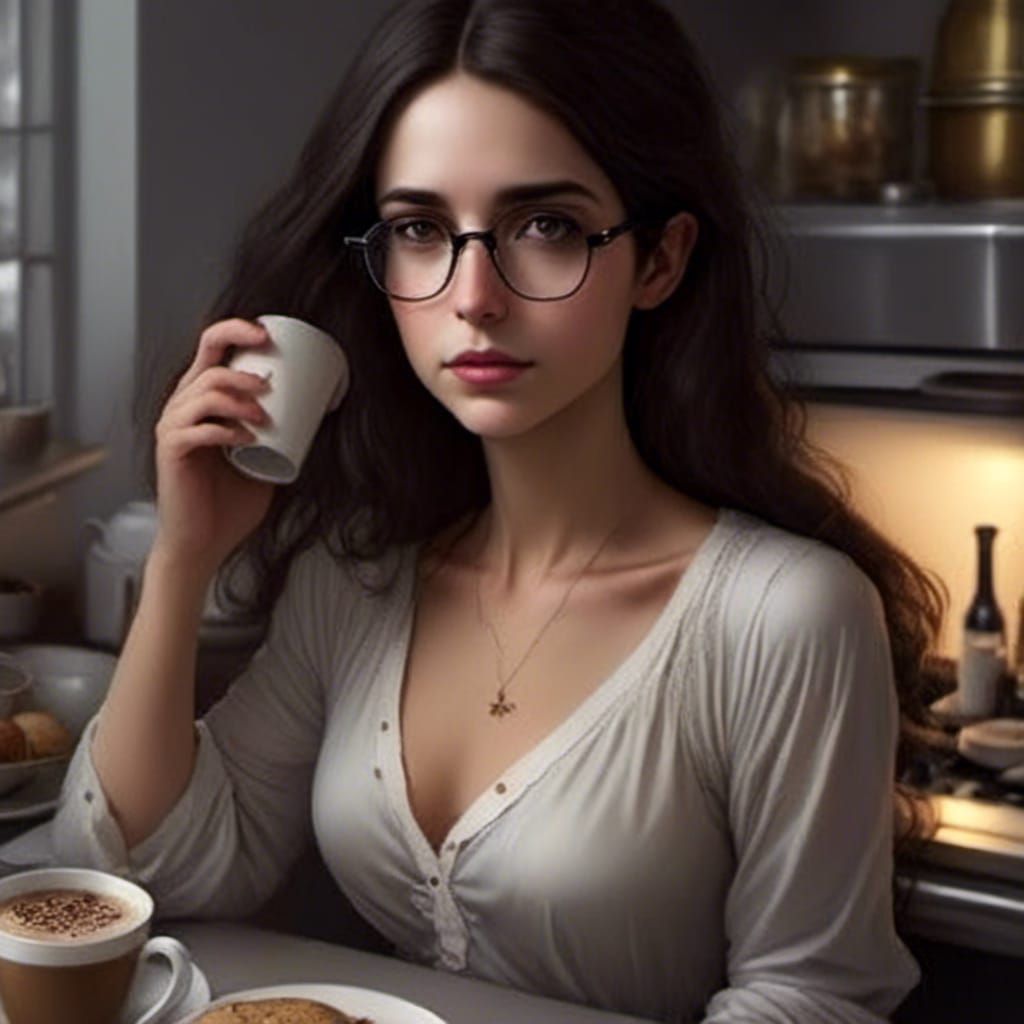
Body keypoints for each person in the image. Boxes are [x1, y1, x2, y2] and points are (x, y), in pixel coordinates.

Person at [51, 0, 945, 1020]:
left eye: (545, 226)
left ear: (660, 259)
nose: (473, 294)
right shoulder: (356, 582)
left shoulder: (786, 615)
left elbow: (811, 1001)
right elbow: (152, 872)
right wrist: (183, 557)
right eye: (420, 230)